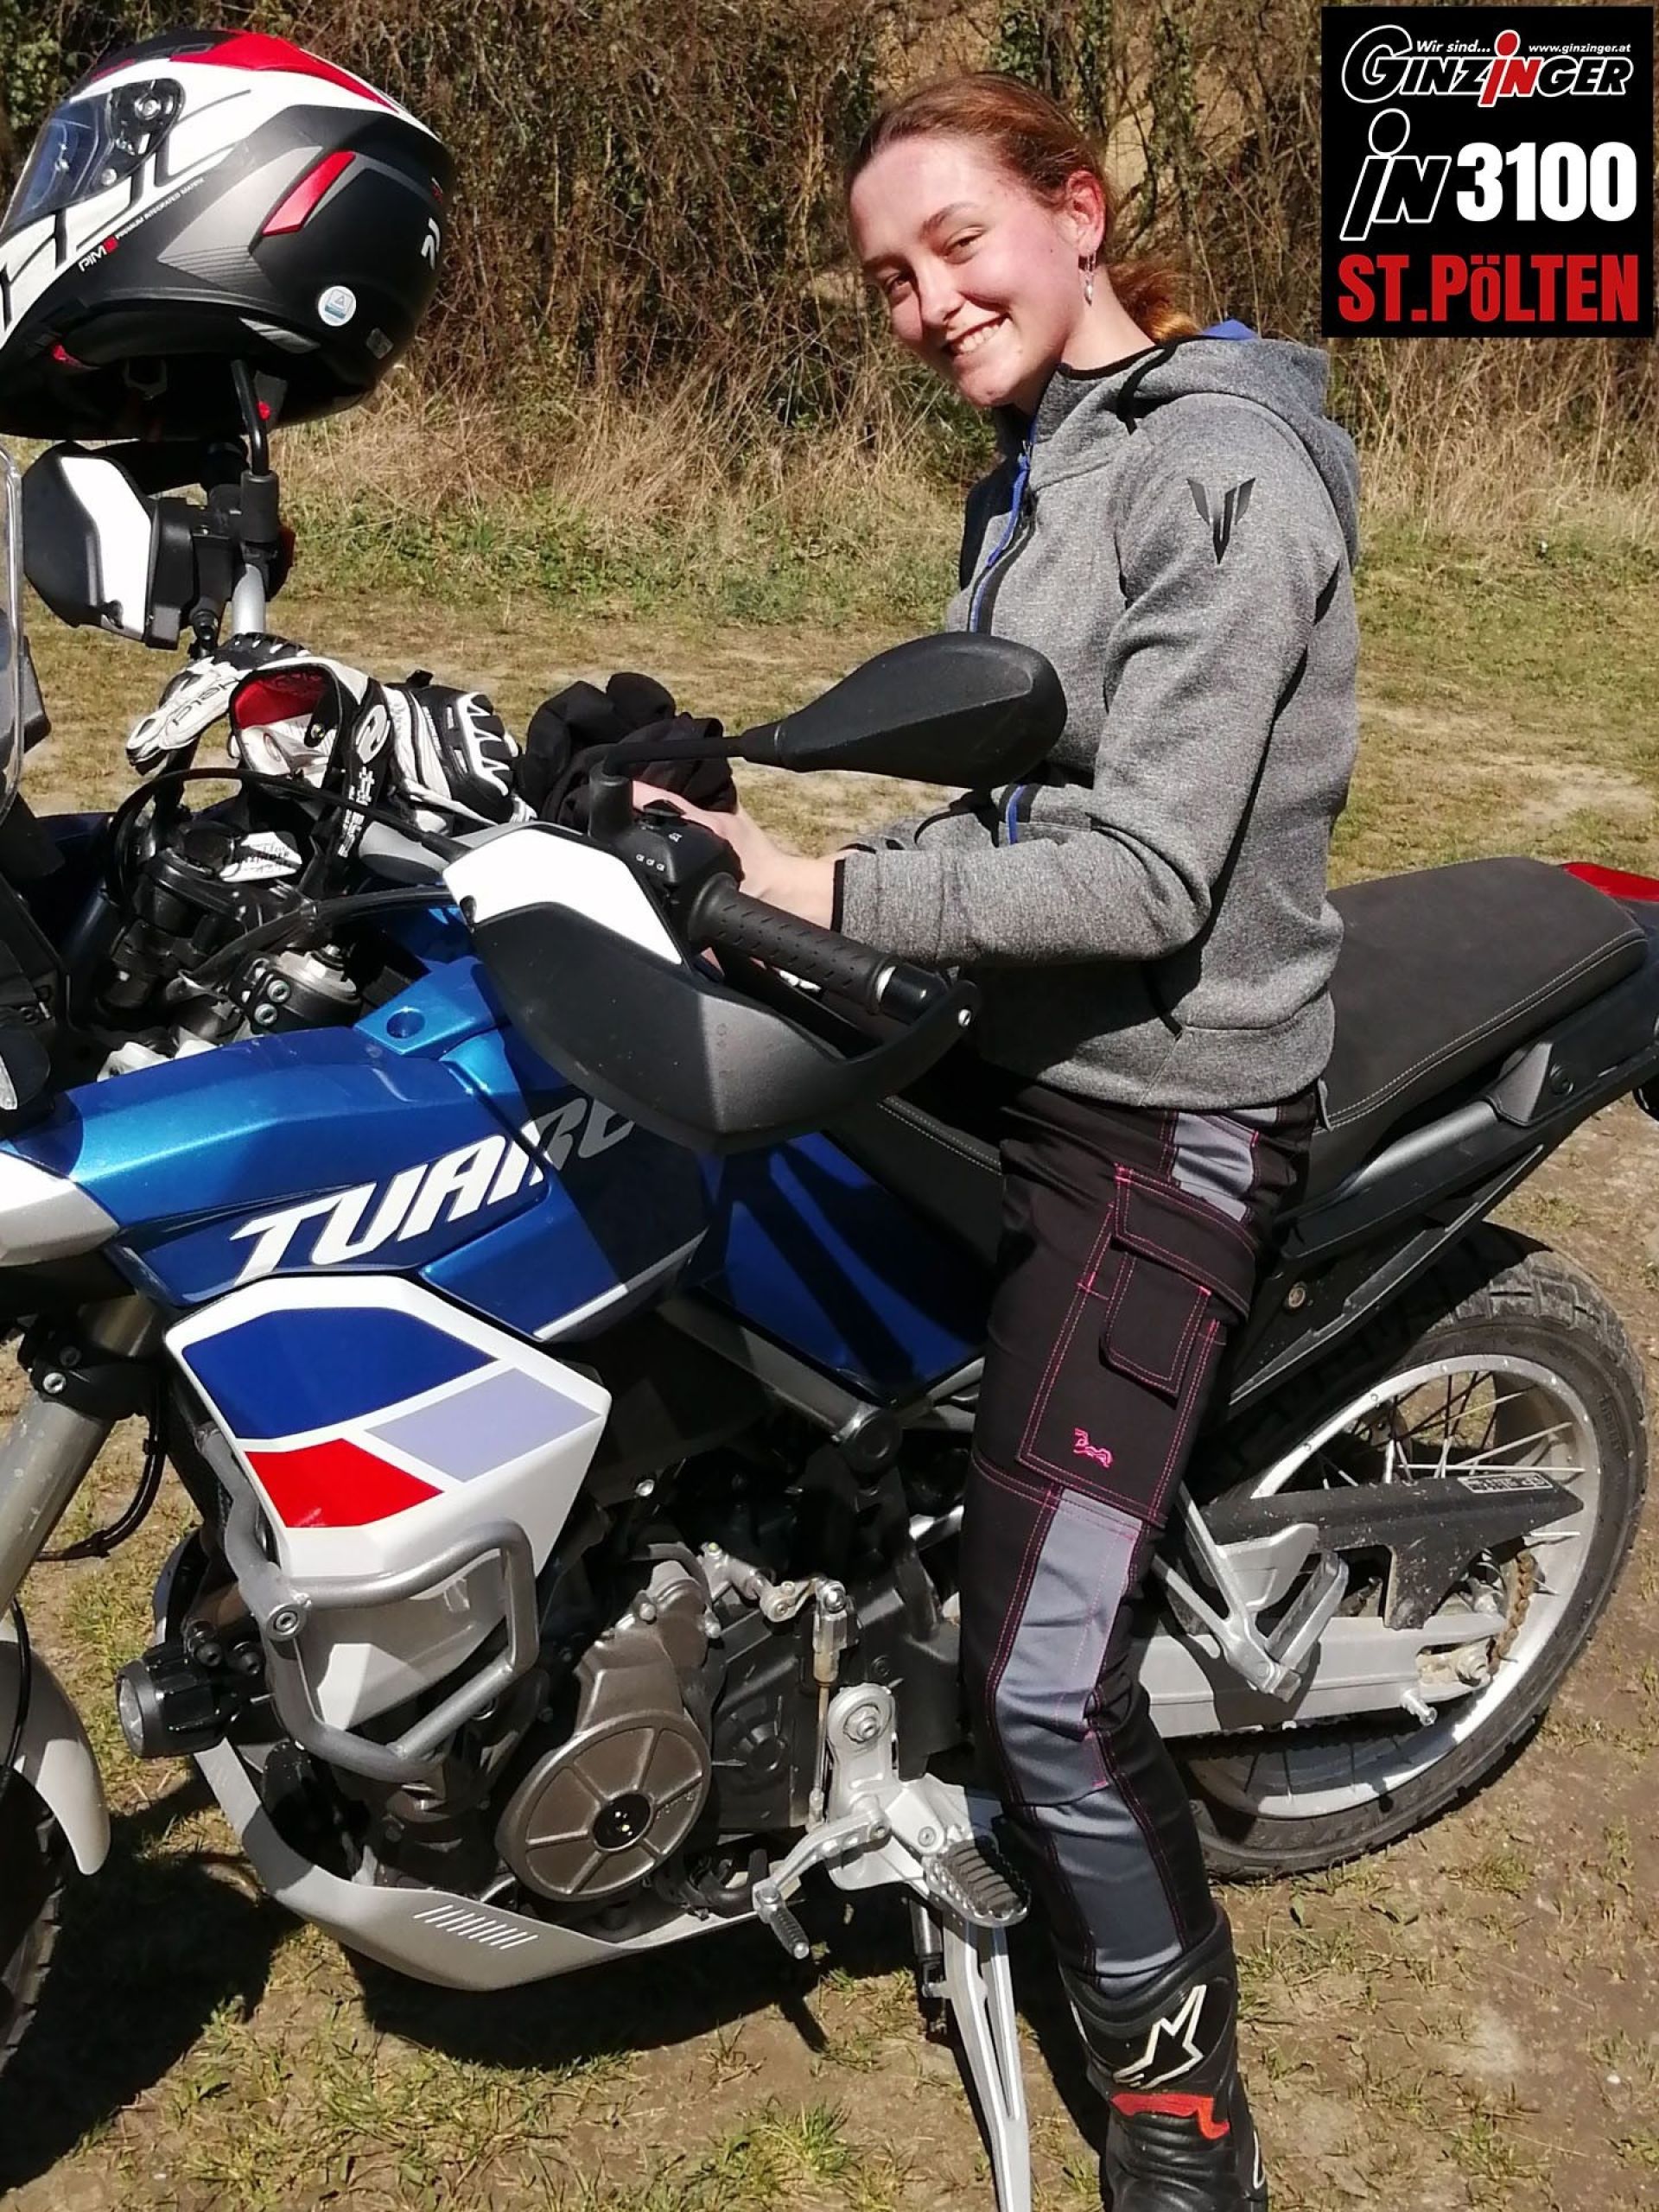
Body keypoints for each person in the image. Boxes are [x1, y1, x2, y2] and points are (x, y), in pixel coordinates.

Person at [640, 71, 1361, 2212]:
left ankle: (1183, 2102)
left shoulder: (1223, 470)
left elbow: (1143, 871)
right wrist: (736, 785)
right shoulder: (1048, 451)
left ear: (1078, 208)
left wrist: (815, 886)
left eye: (957, 243)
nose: (926, 301)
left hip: (1168, 1105)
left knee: (1047, 1683)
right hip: (1014, 1041)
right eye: (888, 276)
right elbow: (1024, 778)